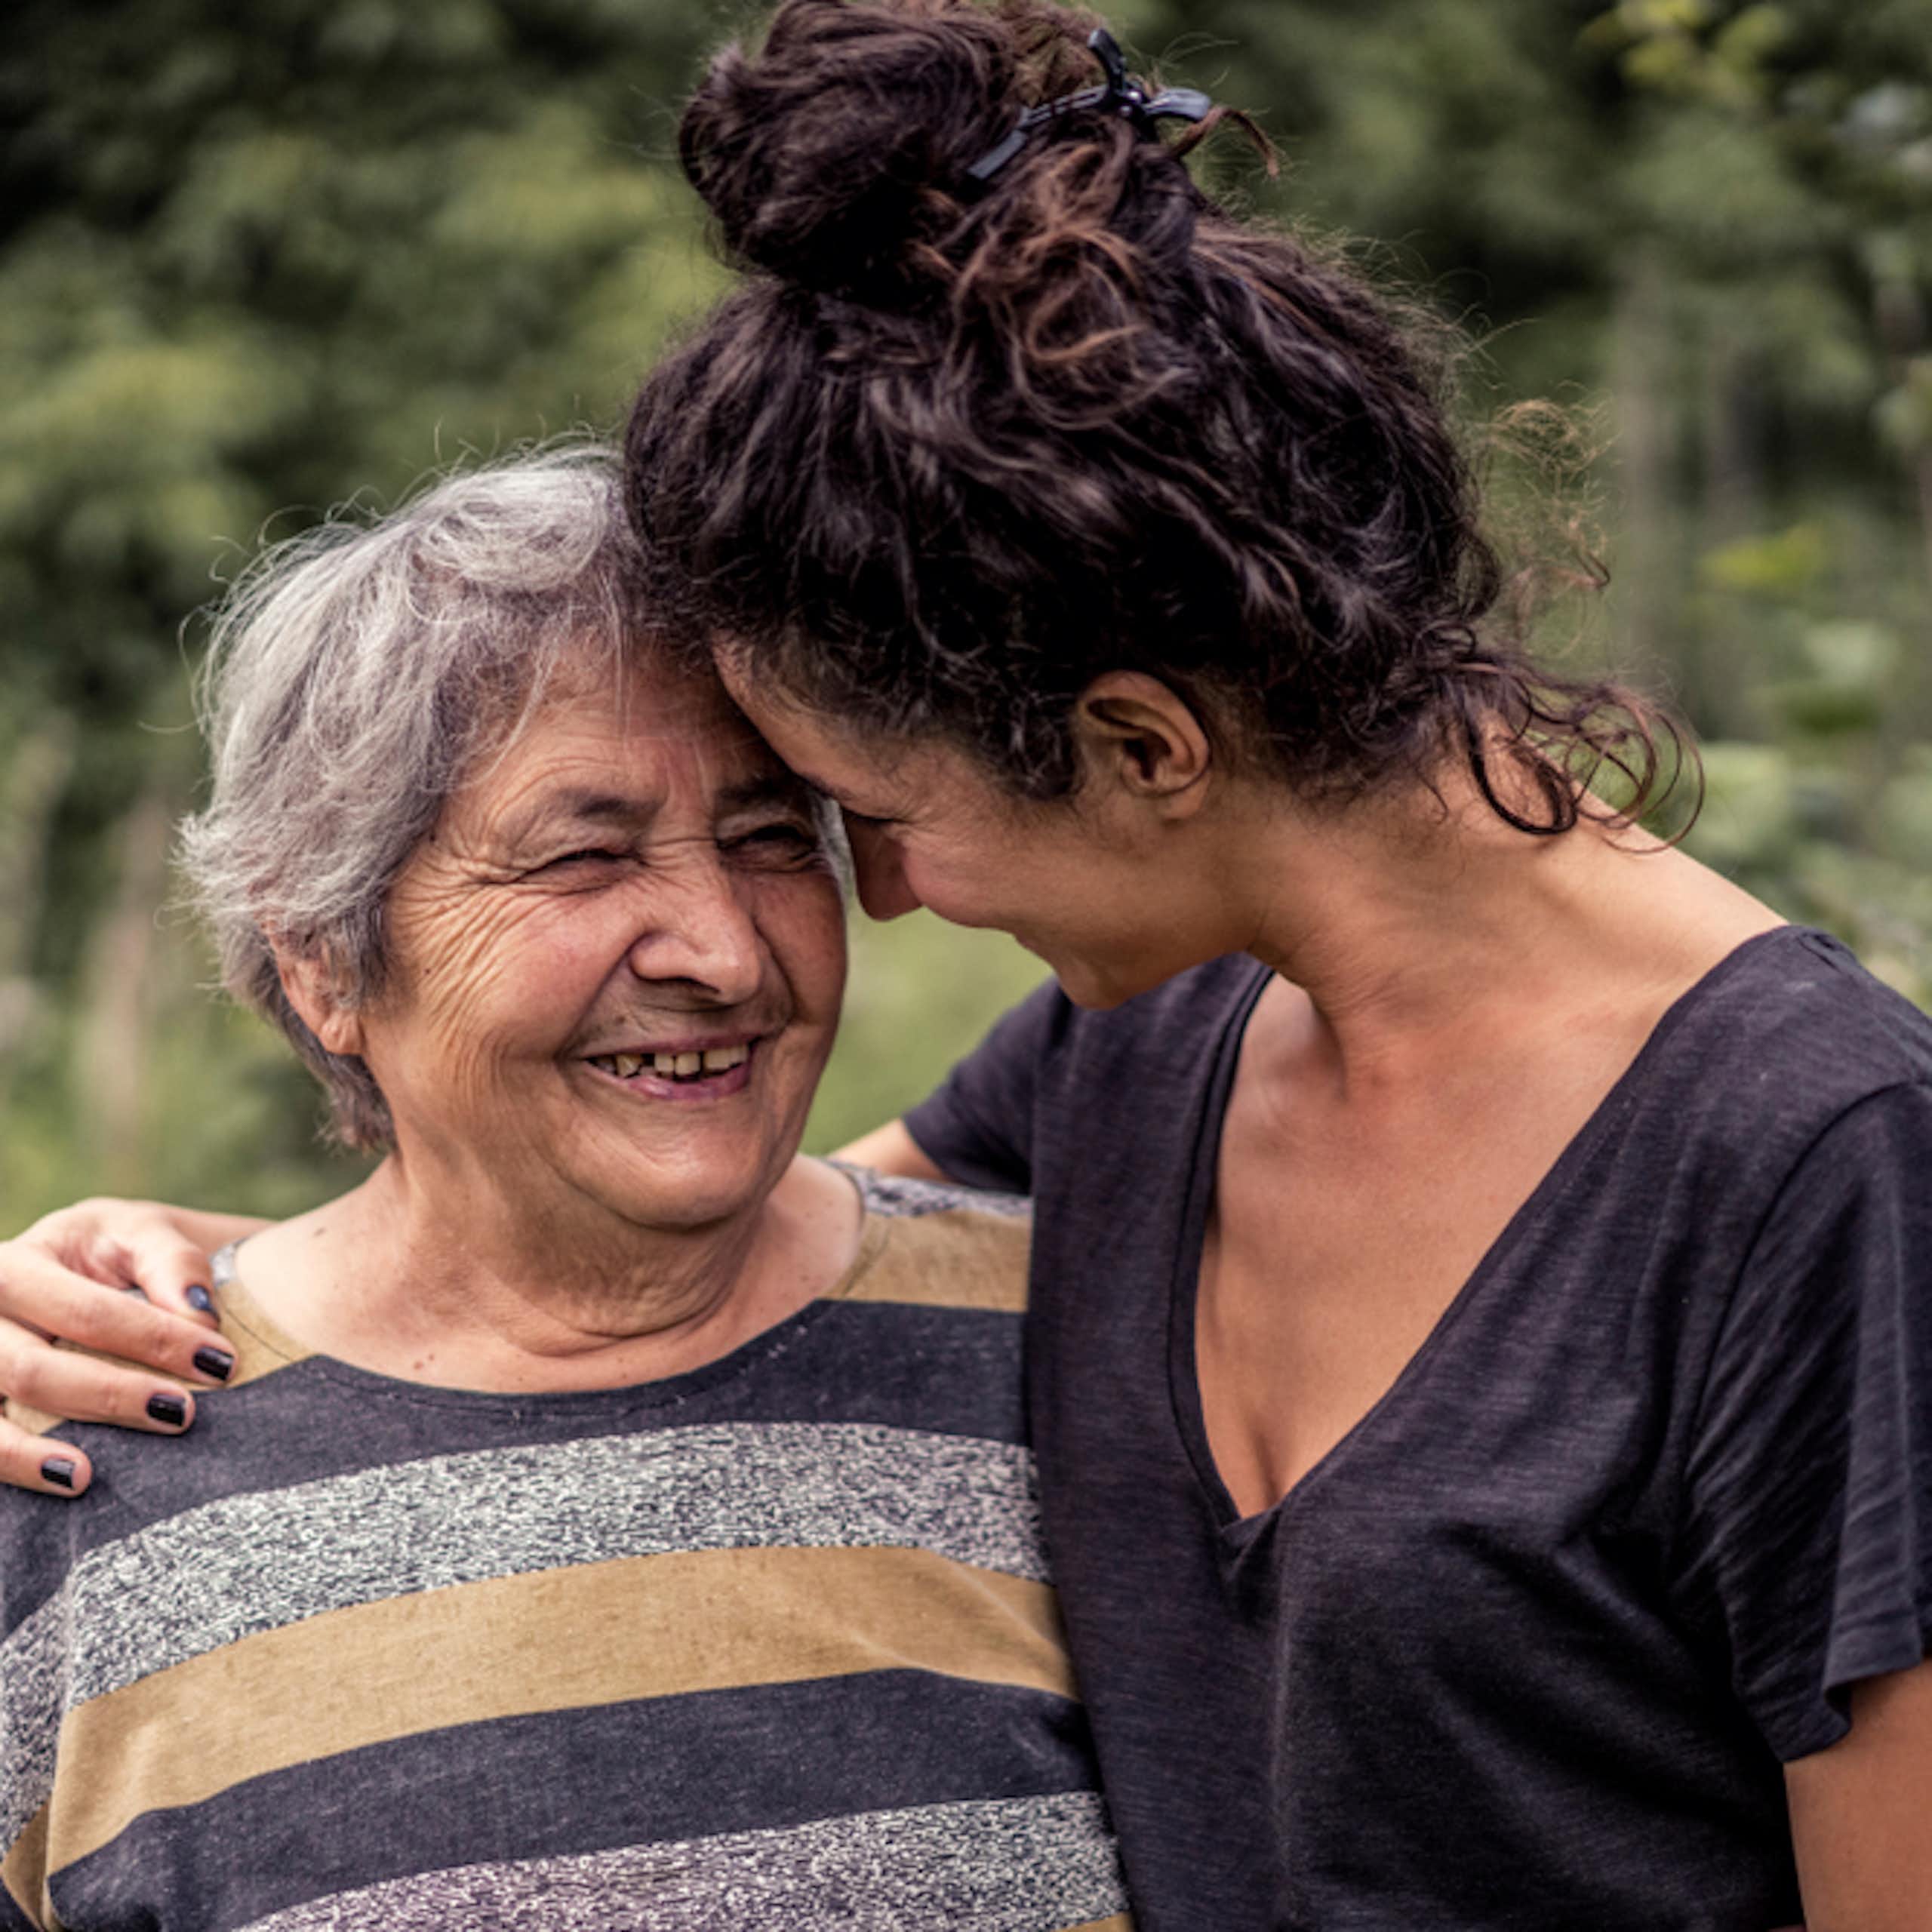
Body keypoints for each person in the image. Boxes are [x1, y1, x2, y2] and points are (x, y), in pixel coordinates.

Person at [2, 3, 1929, 1927]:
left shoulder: (1814, 1163)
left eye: (846, 815)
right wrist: (196, 1270)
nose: (884, 900)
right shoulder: (1149, 1048)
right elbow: (631, 1238)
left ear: (1144, 750)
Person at [0, 448, 1131, 1931]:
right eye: (584, 856)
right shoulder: (70, 1467)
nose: (723, 952)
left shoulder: (1083, 1350)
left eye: (769, 837)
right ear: (323, 963)